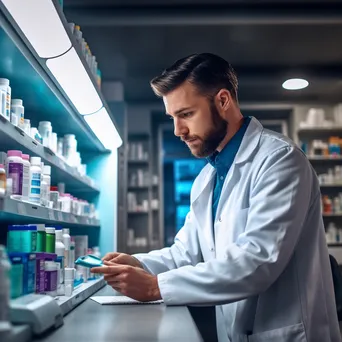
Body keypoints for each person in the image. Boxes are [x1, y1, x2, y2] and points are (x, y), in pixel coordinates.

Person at [91, 53, 341, 342]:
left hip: (288, 333)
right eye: (172, 118)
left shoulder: (280, 160)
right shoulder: (208, 177)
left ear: (223, 101)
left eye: (186, 114)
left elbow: (258, 260)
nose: (178, 131)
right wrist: (139, 264)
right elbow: (186, 253)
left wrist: (155, 287)